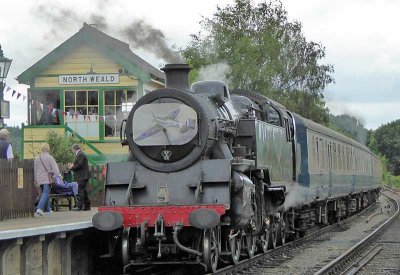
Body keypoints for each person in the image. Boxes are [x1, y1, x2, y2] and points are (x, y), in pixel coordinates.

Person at [34, 143, 61, 217]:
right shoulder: (50, 158)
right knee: (46, 192)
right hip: (46, 178)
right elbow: (55, 168)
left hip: (39, 179)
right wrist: (59, 175)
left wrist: (36, 179)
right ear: (47, 149)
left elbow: (35, 170)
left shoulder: (37, 158)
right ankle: (39, 209)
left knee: (44, 193)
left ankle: (47, 209)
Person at [68, 144, 91, 211]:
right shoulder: (80, 154)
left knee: (80, 190)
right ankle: (87, 206)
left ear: (73, 149)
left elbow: (79, 165)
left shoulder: (80, 154)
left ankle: (79, 206)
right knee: (83, 190)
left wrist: (72, 167)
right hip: (83, 175)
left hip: (82, 176)